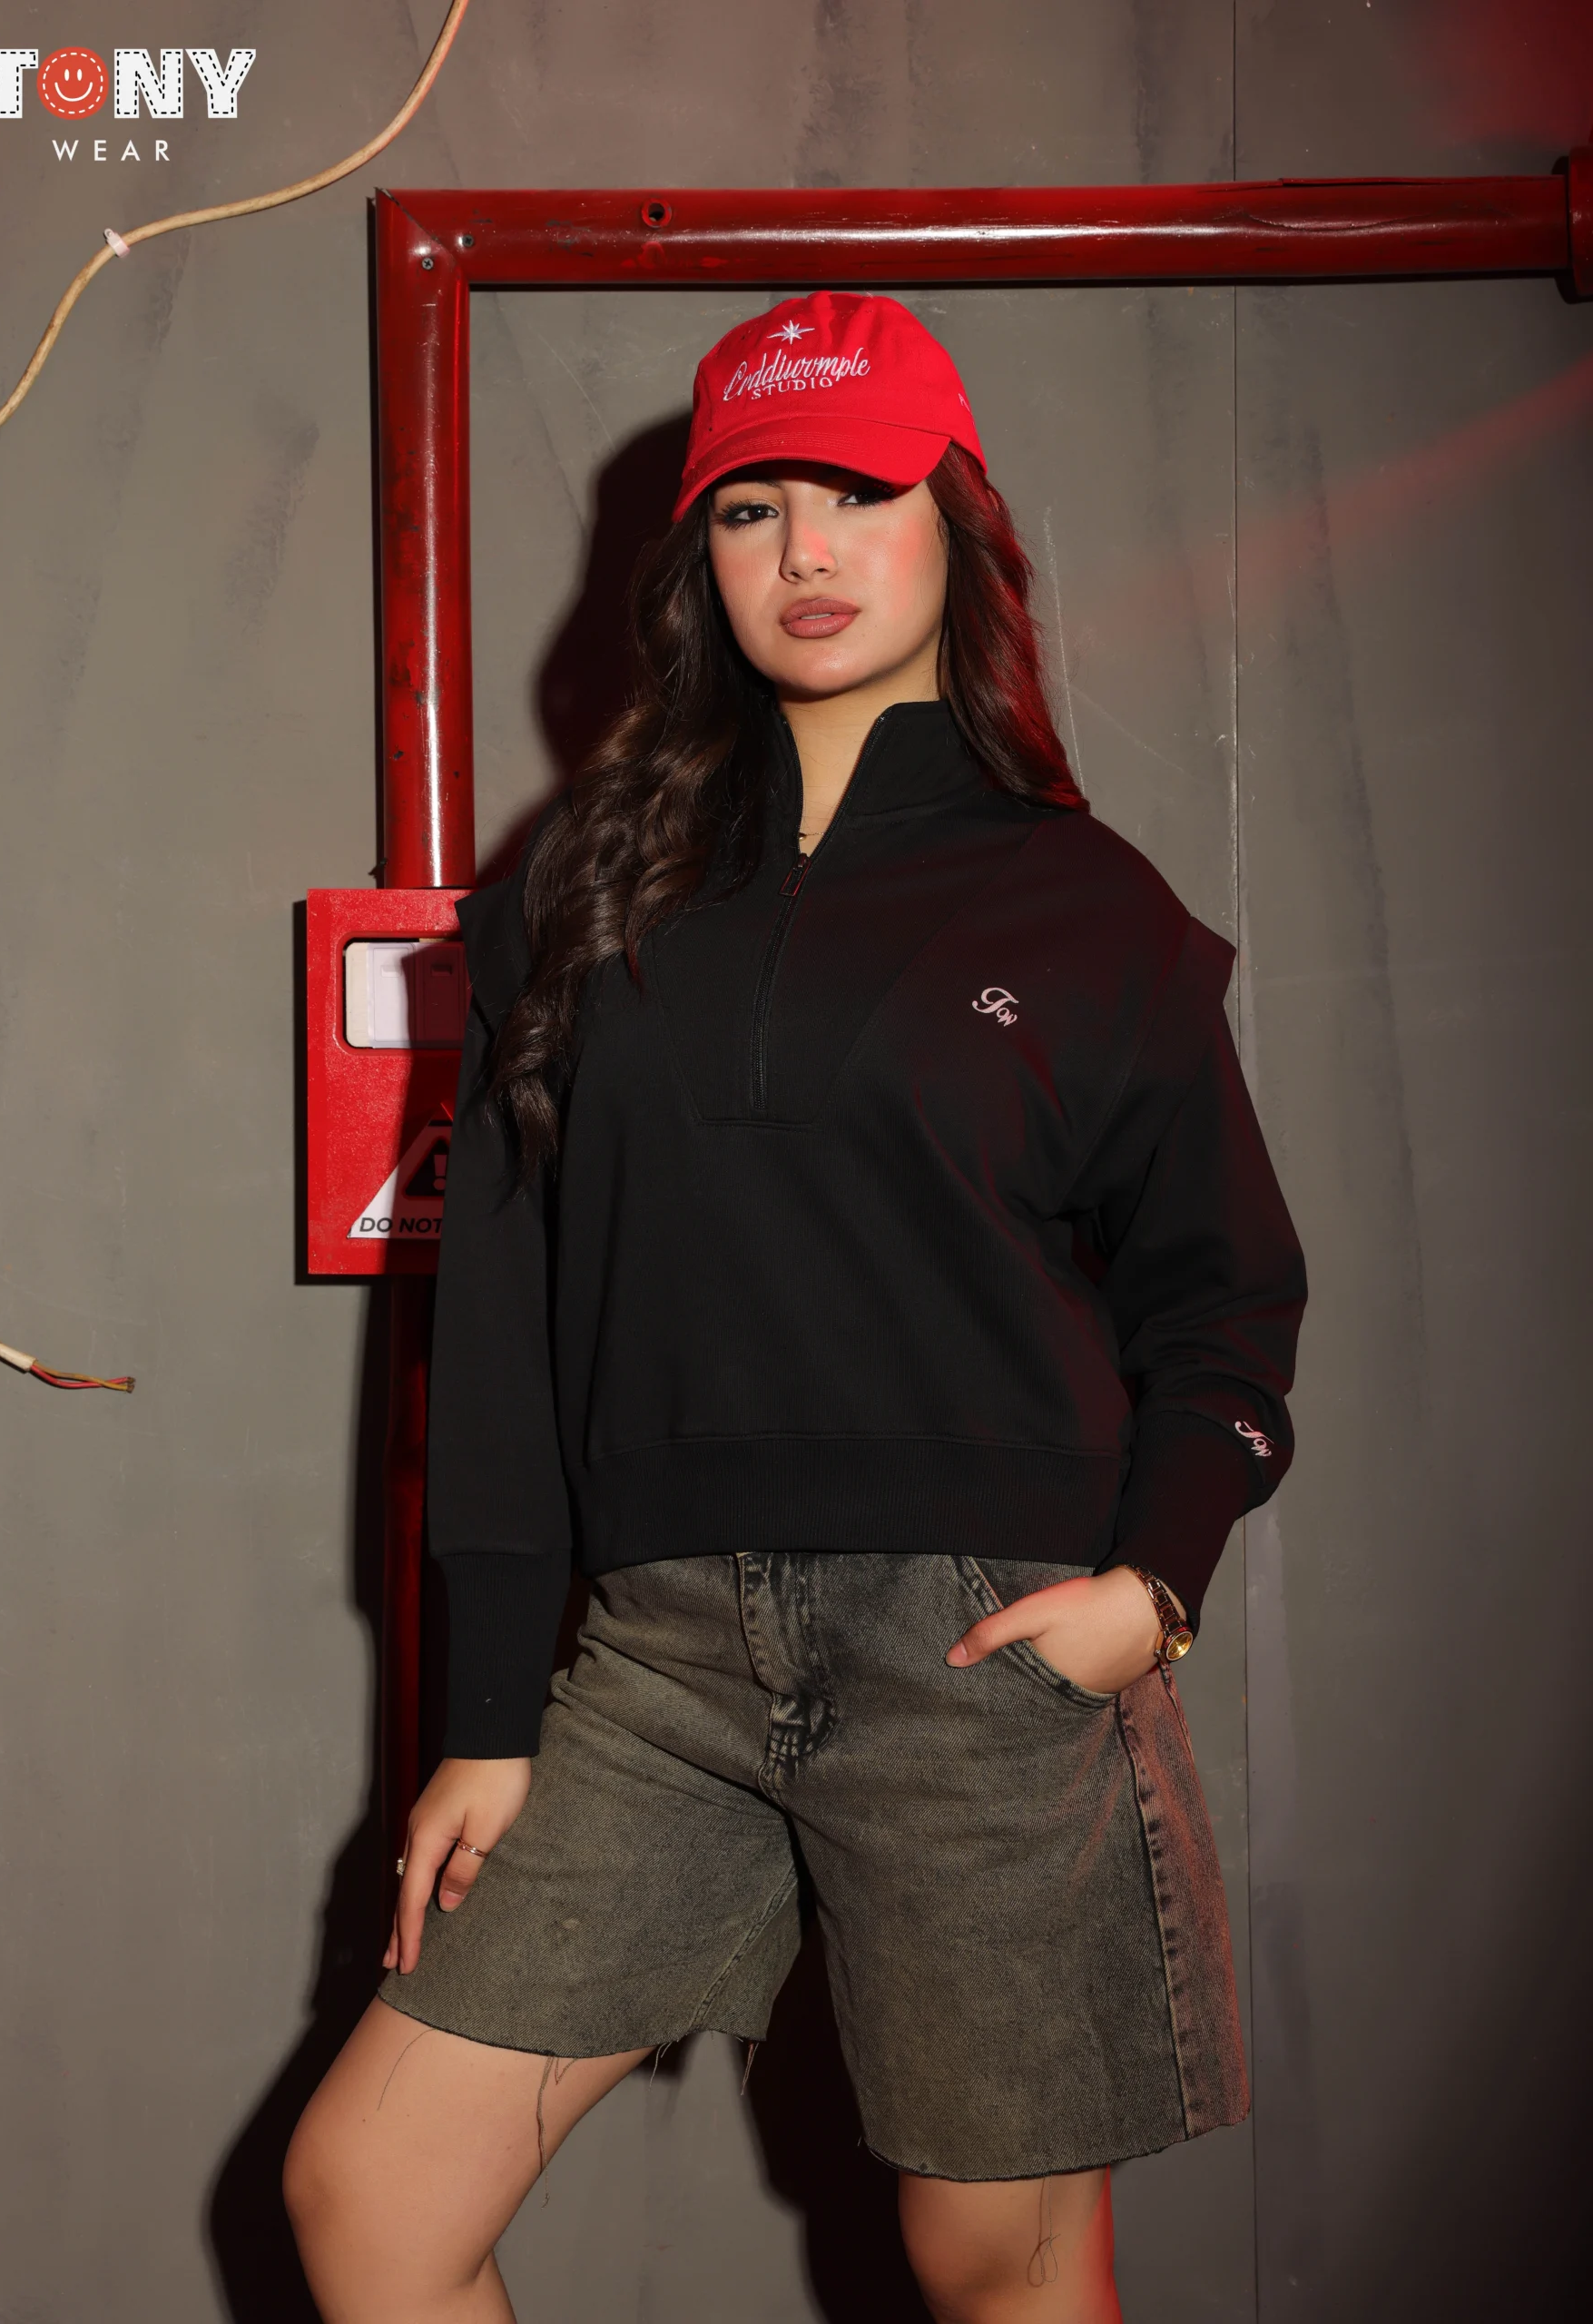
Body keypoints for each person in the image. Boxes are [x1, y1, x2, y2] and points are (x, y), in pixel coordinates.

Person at [285, 290, 1306, 2323]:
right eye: (752, 509)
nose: (807, 551)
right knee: (369, 2197)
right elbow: (500, 1312)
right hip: (659, 1662)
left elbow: (1228, 1294)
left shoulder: (1087, 905)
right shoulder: (581, 879)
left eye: (858, 492)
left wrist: (1152, 1586)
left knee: (993, 2269)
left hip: (981, 1657)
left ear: (955, 527)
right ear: (701, 561)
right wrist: (487, 1717)